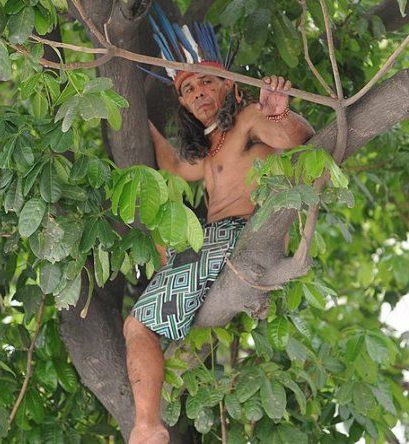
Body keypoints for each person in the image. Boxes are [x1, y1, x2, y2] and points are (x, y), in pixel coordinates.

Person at [122, 11, 314, 442]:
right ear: (185, 104)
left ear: (229, 84)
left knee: (139, 325)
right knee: (144, 322)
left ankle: (147, 426)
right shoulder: (210, 150)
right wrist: (129, 106)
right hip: (215, 243)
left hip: (235, 235)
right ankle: (148, 419)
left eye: (207, 81)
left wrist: (282, 115)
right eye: (188, 89)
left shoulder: (248, 119)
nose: (198, 92)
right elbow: (172, 164)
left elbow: (296, 139)